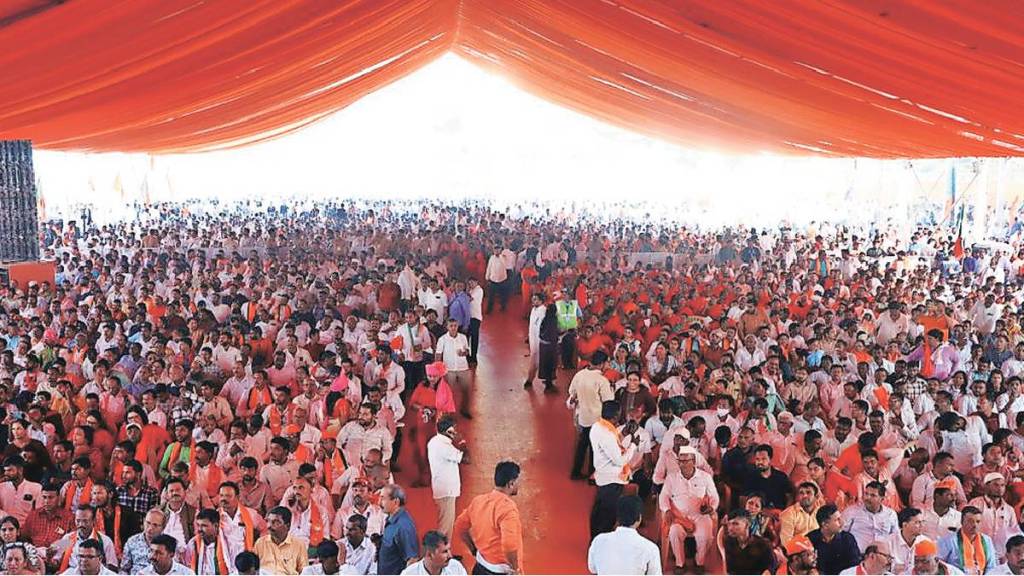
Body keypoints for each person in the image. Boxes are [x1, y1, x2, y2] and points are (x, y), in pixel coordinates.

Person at [454, 461, 523, 575]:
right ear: (511, 483)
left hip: (480, 566)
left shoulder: (478, 501)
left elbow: (459, 526)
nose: (518, 485)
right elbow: (509, 545)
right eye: (517, 482)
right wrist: (516, 569)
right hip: (502, 571)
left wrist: (474, 550)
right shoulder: (508, 509)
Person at [659, 446, 717, 573]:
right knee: (674, 531)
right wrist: (667, 510)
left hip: (700, 515)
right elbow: (663, 497)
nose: (682, 464)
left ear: (694, 461)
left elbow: (714, 497)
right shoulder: (671, 478)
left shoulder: (705, 477)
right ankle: (680, 564)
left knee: (706, 534)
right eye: (680, 461)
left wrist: (711, 507)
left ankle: (699, 562)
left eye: (686, 461)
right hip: (678, 516)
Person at [589, 400, 638, 539]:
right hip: (611, 479)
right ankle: (601, 543)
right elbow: (619, 461)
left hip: (603, 476)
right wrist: (633, 445)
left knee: (598, 512)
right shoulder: (608, 434)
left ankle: (594, 540)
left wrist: (625, 432)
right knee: (607, 516)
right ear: (616, 416)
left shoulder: (598, 426)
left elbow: (613, 445)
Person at [587, 495, 661, 575]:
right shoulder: (650, 548)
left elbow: (592, 569)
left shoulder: (598, 540)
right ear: (639, 518)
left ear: (617, 517)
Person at [568, 351, 614, 481]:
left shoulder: (580, 375)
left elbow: (572, 392)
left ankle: (575, 472)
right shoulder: (601, 380)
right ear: (601, 364)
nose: (608, 365)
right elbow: (608, 400)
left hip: (583, 417)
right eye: (607, 362)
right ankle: (592, 475)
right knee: (595, 448)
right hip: (597, 419)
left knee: (582, 446)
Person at [428, 416, 468, 538]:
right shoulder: (445, 446)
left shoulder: (434, 441)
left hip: (442, 488)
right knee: (445, 526)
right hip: (446, 490)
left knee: (446, 523)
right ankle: (442, 553)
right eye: (454, 429)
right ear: (448, 431)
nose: (457, 431)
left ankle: (445, 551)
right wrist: (462, 442)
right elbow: (466, 459)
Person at [49, 505, 118, 574]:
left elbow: (112, 566)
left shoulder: (105, 540)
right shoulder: (67, 538)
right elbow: (55, 561)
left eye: (85, 521)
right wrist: (50, 558)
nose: (81, 524)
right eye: (78, 521)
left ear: (94, 521)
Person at [938, 506, 997, 575]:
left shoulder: (987, 540)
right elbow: (940, 563)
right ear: (961, 522)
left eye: (978, 522)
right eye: (970, 521)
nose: (975, 525)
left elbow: (991, 566)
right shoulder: (949, 540)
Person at [807, 504, 861, 576]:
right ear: (825, 524)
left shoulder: (848, 539)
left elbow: (854, 566)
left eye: (840, 518)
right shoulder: (809, 540)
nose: (842, 523)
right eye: (837, 520)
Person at [183, 509, 239, 576]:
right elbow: (187, 568)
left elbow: (235, 571)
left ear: (216, 526)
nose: (199, 529)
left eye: (204, 526)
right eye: (198, 525)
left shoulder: (229, 544)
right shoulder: (193, 543)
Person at [254, 506, 307, 575]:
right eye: (268, 521)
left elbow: (304, 572)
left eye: (276, 522)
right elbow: (253, 569)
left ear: (287, 526)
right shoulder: (260, 543)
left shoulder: (299, 544)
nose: (269, 526)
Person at [379, 484, 419, 576]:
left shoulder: (403, 526)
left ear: (396, 502)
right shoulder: (391, 519)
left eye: (383, 498)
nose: (379, 502)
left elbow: (412, 560)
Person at [722, 509, 773, 575]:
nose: (730, 528)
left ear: (747, 524)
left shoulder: (763, 544)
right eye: (729, 524)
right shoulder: (728, 542)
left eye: (735, 524)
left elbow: (770, 567)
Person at [400, 530, 468, 575]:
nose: (450, 556)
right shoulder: (409, 573)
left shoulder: (456, 567)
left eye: (449, 550)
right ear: (429, 555)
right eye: (445, 552)